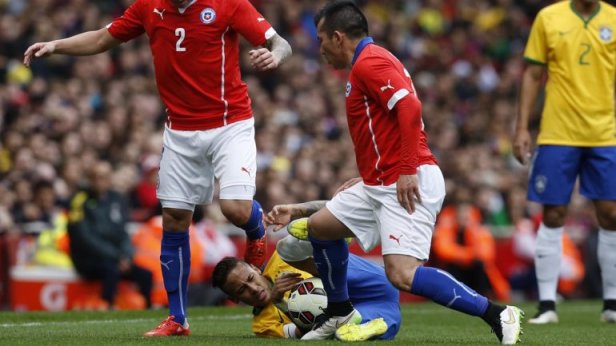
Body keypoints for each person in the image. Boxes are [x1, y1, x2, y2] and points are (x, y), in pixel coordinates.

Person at [24, 0, 292, 336]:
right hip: (180, 130)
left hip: (230, 124)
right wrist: (56, 45)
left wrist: (274, 56)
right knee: (174, 219)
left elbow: (280, 43)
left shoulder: (229, 5)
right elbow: (100, 39)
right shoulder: (148, 7)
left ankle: (255, 229)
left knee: (235, 209)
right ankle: (178, 319)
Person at [268, 1, 522, 343]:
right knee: (321, 228)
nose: (321, 48)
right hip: (382, 179)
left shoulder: (369, 63)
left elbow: (410, 108)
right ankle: (339, 310)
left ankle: (497, 313)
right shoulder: (369, 62)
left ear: (338, 37)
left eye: (323, 39)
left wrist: (404, 170)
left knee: (402, 274)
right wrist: (373, 171)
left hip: (405, 181)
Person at [513, 0, 616, 324]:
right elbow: (532, 73)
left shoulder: (614, 19)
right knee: (554, 212)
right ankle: (547, 305)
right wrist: (521, 127)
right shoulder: (549, 17)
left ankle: (611, 303)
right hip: (558, 132)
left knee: (611, 213)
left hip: (605, 133)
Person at [211, 235, 400, 341]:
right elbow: (302, 335)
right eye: (242, 290)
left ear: (254, 267)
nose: (252, 288)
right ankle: (373, 327)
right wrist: (279, 302)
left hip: (369, 283)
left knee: (330, 265)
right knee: (343, 331)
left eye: (251, 278)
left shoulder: (282, 256)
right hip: (363, 310)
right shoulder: (262, 325)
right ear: (235, 300)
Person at [67, 161, 153, 310]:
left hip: (116, 257)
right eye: (98, 177)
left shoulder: (117, 199)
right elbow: (86, 238)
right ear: (90, 179)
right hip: (89, 259)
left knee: (145, 274)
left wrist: (127, 256)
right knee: (111, 270)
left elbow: (123, 233)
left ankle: (148, 308)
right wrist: (116, 257)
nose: (102, 180)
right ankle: (107, 306)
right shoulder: (80, 201)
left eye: (105, 176)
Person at [432, 203, 511, 302]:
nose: (464, 220)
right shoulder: (447, 229)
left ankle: (482, 298)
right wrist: (469, 254)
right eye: (461, 217)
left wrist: (462, 255)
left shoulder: (479, 231)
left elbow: (486, 254)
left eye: (466, 217)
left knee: (480, 266)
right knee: (452, 267)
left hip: (475, 270)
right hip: (456, 268)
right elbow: (443, 251)